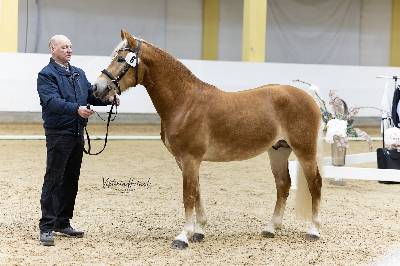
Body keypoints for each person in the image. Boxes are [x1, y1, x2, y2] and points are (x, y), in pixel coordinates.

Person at [37, 35, 118, 246]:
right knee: (54, 179)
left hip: (76, 133)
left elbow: (89, 96)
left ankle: (62, 222)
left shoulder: (78, 73)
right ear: (52, 49)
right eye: (64, 47)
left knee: (71, 179)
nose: (69, 50)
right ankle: (46, 226)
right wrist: (76, 109)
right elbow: (52, 101)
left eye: (70, 46)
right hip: (58, 133)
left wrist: (107, 99)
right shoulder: (46, 75)